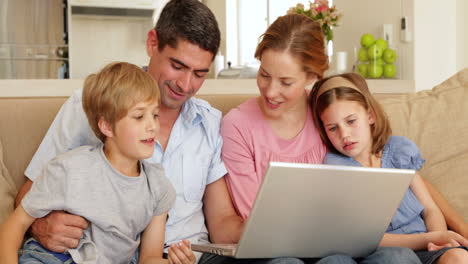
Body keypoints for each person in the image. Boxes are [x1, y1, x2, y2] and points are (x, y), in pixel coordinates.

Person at [14, 0, 243, 262]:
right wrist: (42, 225)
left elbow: (222, 220)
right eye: (177, 66)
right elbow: (28, 196)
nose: (186, 85)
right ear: (152, 43)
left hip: (195, 256)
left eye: (200, 74)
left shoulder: (210, 122)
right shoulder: (92, 105)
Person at [220, 14, 421, 264]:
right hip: (274, 252)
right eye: (264, 74)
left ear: (312, 77)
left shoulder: (329, 116)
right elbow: (258, 225)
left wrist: (454, 230)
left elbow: (393, 165)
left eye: (285, 82)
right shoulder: (237, 126)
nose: (270, 91)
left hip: (338, 246)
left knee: (395, 258)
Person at [0, 62, 191, 263]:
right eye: (139, 116)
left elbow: (149, 258)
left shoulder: (158, 187)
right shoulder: (69, 169)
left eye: (155, 115)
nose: (152, 126)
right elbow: (16, 224)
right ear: (107, 126)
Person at [309, 72, 468, 264]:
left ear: (370, 116)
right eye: (333, 128)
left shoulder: (399, 150)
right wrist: (427, 239)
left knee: (458, 256)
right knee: (397, 258)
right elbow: (362, 239)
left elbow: (430, 209)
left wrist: (437, 239)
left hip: (427, 247)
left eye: (351, 121)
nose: (345, 134)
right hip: (385, 252)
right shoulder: (337, 167)